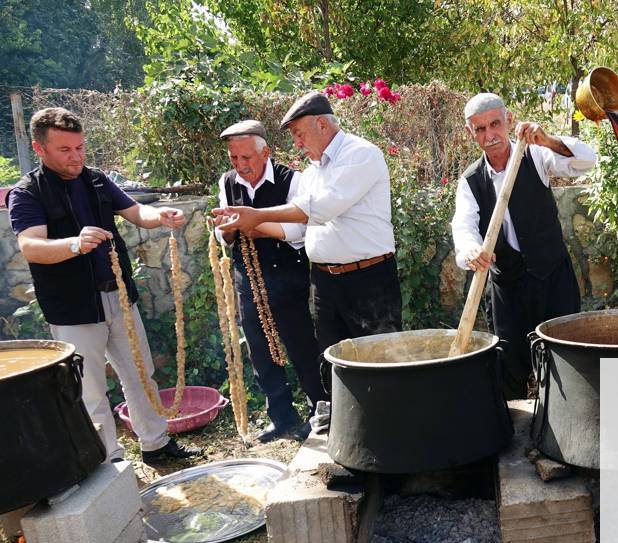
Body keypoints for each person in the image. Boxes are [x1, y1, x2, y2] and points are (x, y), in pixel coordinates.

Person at [6, 107, 203, 464]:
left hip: (118, 295)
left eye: (80, 147)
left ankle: (156, 445)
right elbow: (32, 248)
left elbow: (136, 213)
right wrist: (74, 244)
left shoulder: (95, 179)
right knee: (90, 389)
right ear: (40, 149)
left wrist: (160, 217)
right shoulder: (27, 193)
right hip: (73, 309)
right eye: (65, 150)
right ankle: (109, 461)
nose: (76, 156)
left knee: (141, 373)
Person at [213, 92, 402, 431]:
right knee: (333, 362)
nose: (297, 142)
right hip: (326, 282)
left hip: (368, 279)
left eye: (299, 133)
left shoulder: (360, 154)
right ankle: (351, 435)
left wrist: (255, 217)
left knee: (379, 359)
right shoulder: (314, 172)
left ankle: (391, 432)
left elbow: (318, 211)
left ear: (321, 124)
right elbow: (302, 222)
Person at [452, 93, 596, 399]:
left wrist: (549, 140)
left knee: (564, 358)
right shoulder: (471, 181)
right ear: (470, 133)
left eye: (495, 124)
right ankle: (516, 437)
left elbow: (587, 161)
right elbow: (463, 227)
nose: (489, 135)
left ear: (509, 120)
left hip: (552, 277)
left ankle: (562, 431)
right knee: (509, 367)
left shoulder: (537, 156)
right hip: (508, 286)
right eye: (479, 129)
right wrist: (471, 252)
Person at [214, 120, 325, 442]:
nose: (240, 165)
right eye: (234, 159)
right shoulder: (227, 182)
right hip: (247, 277)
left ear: (266, 153)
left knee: (301, 345)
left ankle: (318, 410)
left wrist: (253, 223)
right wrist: (230, 228)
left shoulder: (294, 180)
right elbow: (224, 235)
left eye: (246, 158)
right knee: (260, 350)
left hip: (287, 275)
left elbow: (296, 232)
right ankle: (280, 416)